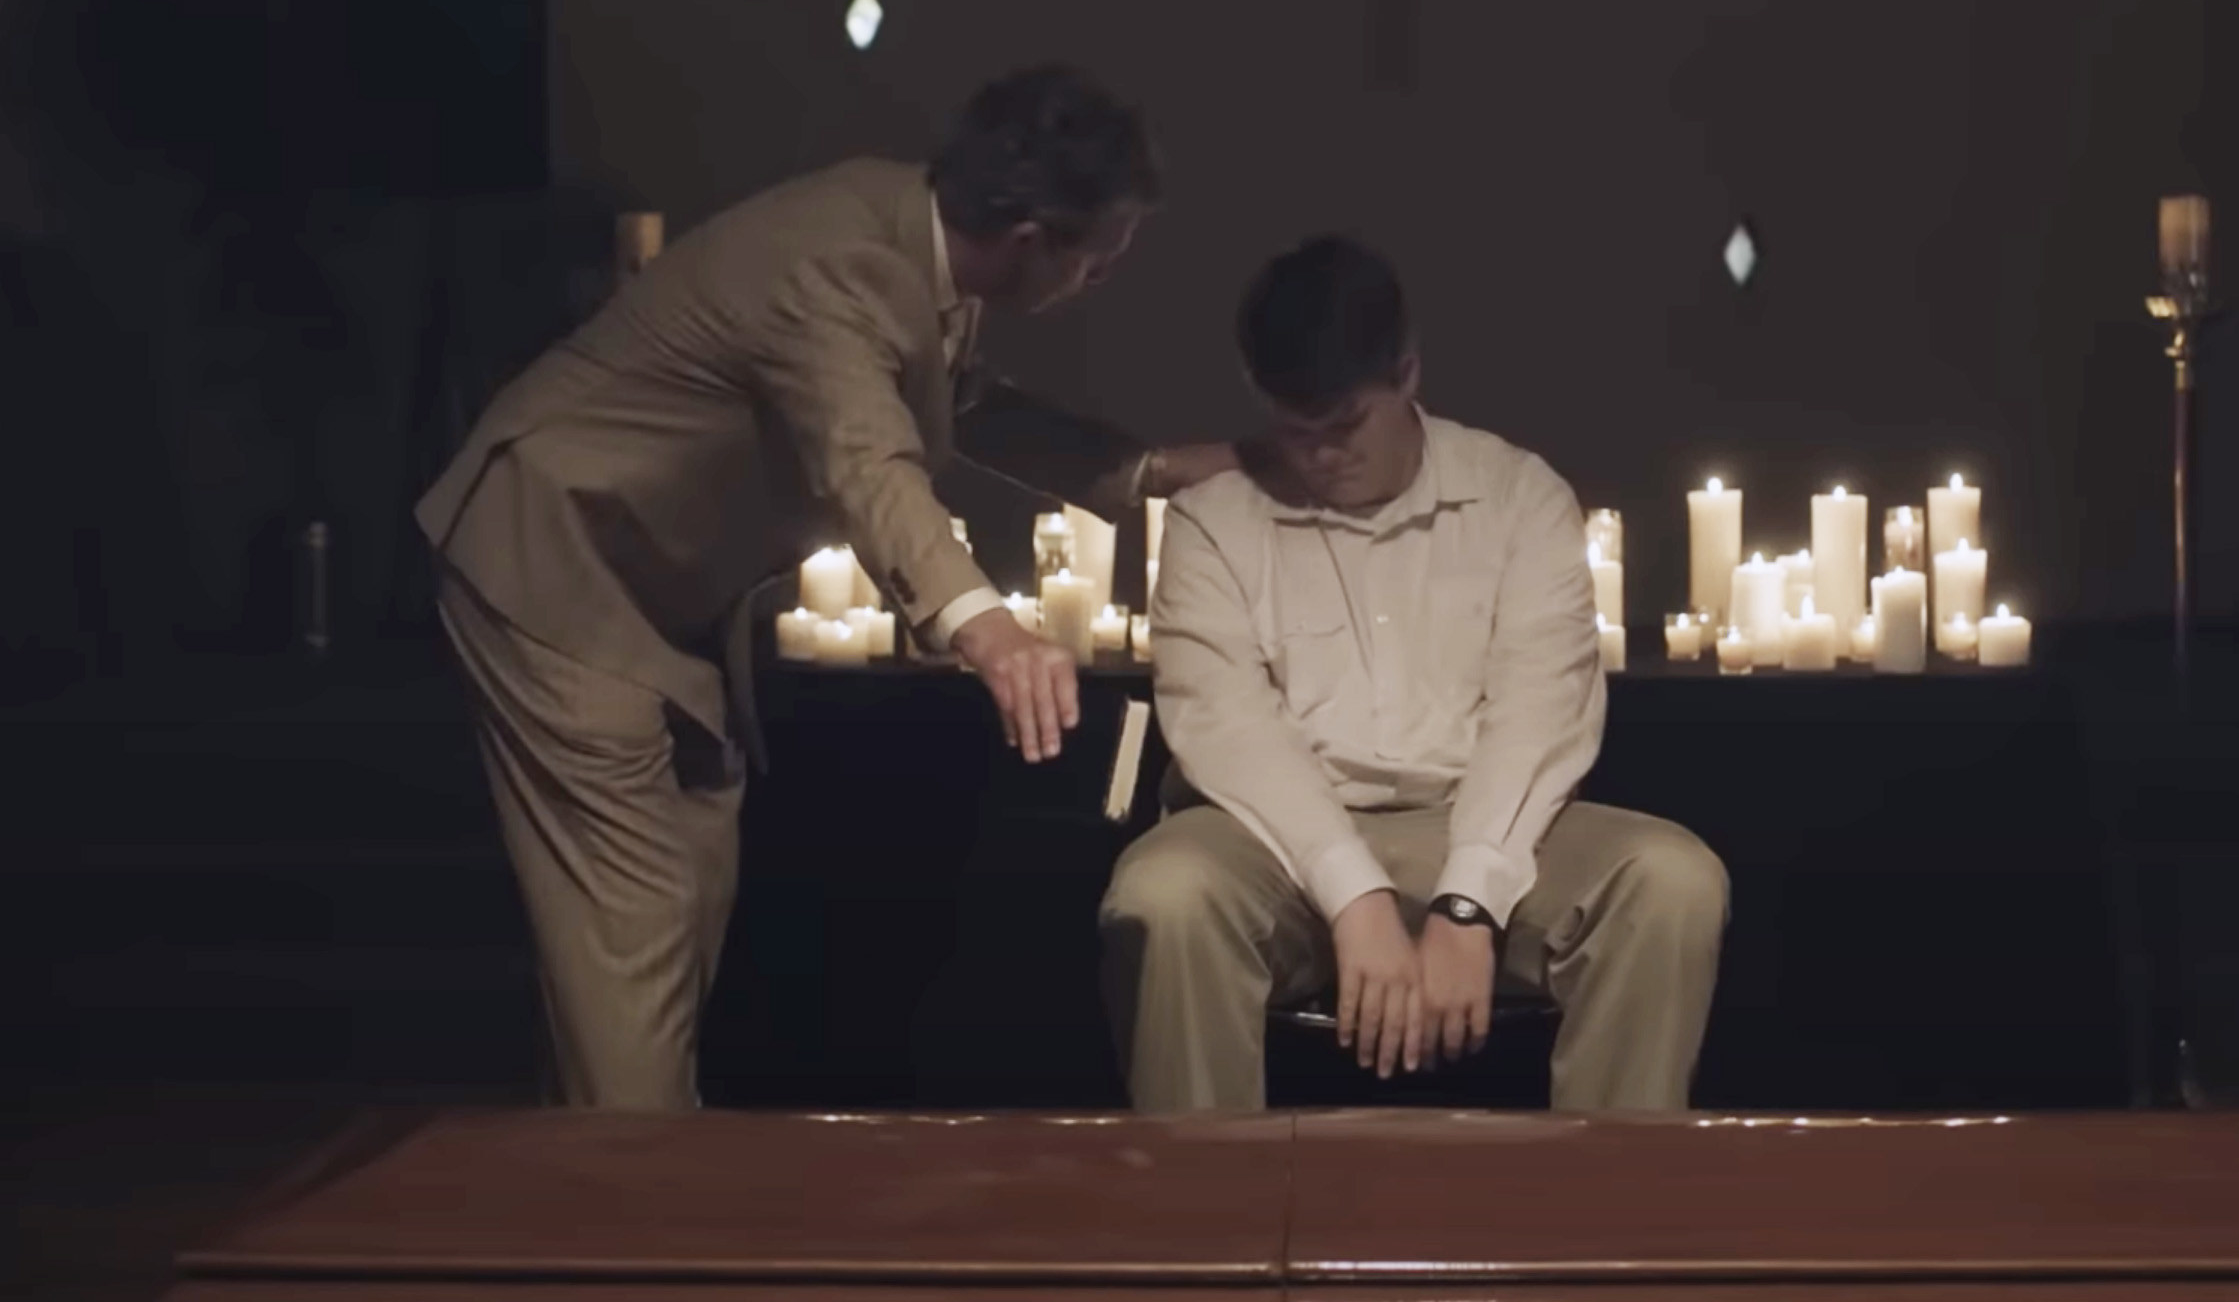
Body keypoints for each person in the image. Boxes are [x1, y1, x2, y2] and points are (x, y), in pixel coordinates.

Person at [418, 65, 1240, 1110]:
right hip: (559, 566)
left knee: (675, 915)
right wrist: (986, 627)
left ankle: (589, 1178)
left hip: (663, 594)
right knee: (634, 928)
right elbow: (869, 460)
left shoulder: (918, 240)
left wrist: (1149, 471)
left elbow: (956, 404)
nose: (1104, 277)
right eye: (1104, 255)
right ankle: (628, 1233)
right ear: (1032, 236)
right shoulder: (842, 266)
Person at [1102, 236, 1728, 1113]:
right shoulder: (1214, 523)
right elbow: (1234, 733)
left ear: (1406, 374)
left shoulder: (1518, 495)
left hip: (1479, 823)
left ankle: (1604, 1213)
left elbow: (1538, 713)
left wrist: (1469, 905)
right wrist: (1354, 898)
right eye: (1295, 431)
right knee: (1164, 895)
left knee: (1671, 880)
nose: (1320, 458)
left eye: (1345, 426)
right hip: (1270, 844)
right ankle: (1207, 1222)